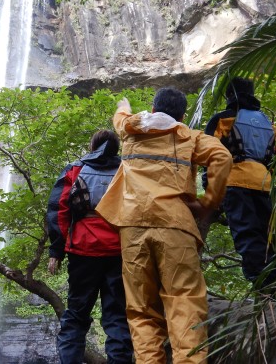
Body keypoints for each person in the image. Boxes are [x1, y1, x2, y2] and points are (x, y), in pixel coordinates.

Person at [95, 87, 232, 364]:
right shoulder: (188, 136)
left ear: (154, 110)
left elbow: (120, 117)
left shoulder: (130, 129)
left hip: (132, 227)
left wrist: (123, 104)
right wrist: (208, 204)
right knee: (184, 303)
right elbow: (222, 158)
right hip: (174, 225)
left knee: (141, 310)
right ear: (182, 115)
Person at [46, 129, 134, 364]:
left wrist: (56, 250)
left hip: (83, 251)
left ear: (92, 146)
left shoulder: (75, 169)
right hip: (118, 251)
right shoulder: (128, 170)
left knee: (75, 315)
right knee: (117, 316)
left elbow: (59, 210)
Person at [203, 76, 276, 291]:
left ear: (229, 96)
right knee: (273, 237)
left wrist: (210, 191)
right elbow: (274, 158)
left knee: (248, 235)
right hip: (265, 185)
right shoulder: (267, 123)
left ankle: (264, 284)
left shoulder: (223, 119)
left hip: (236, 183)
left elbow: (209, 155)